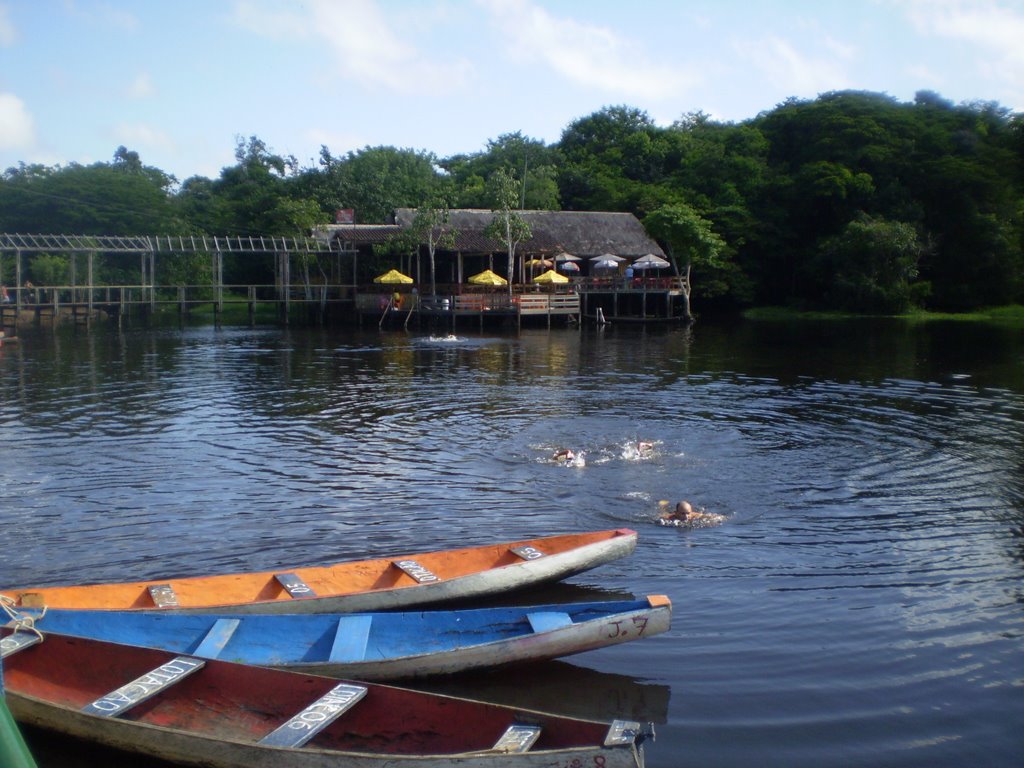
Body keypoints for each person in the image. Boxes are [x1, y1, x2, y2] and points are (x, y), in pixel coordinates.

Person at [657, 500, 725, 528]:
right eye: (683, 513)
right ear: (676, 513)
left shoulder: (695, 516)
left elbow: (712, 516)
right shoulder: (670, 517)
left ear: (691, 512)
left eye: (688, 513)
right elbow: (658, 517)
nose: (686, 517)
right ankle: (663, 505)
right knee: (663, 511)